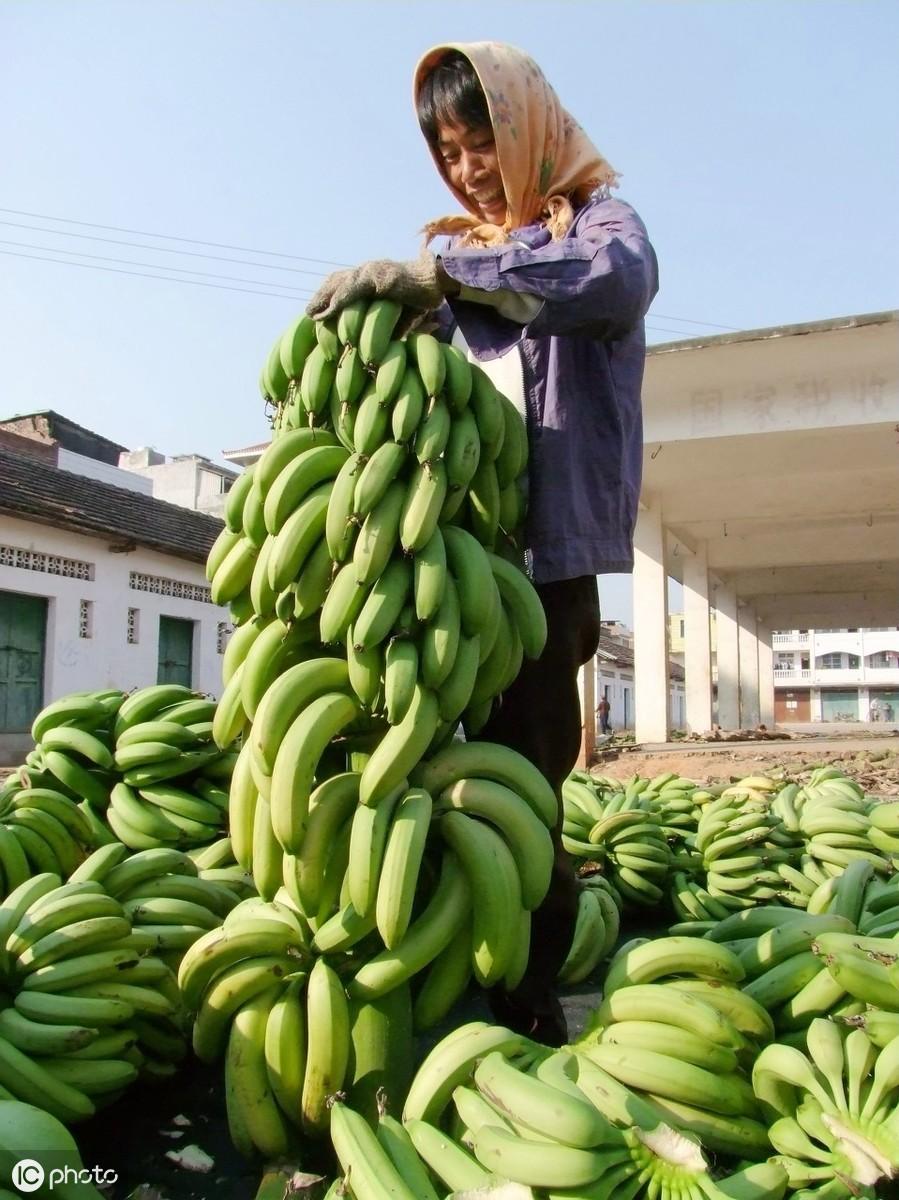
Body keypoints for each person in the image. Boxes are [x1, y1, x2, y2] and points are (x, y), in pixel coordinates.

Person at [308, 41, 658, 1044]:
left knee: (517, 787)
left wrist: (444, 273)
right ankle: (419, 959)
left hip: (544, 572)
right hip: (444, 567)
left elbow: (614, 281)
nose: (468, 170)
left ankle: (525, 993)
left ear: (529, 127)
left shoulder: (595, 225)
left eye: (483, 141)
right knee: (412, 764)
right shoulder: (454, 265)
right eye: (448, 151)